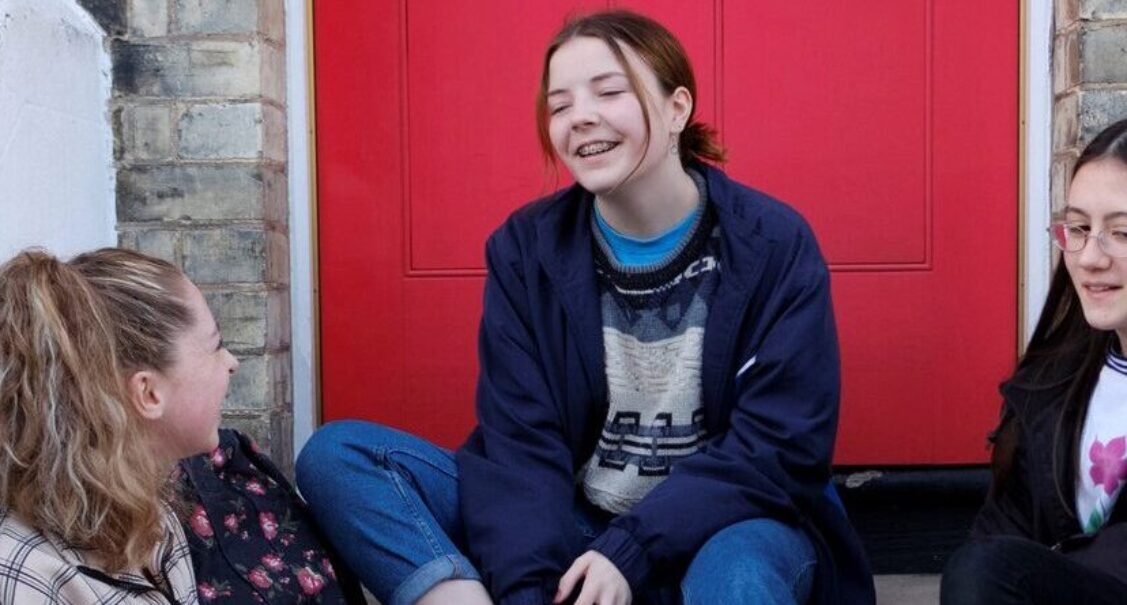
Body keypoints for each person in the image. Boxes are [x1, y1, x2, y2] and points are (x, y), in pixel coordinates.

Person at [297, 9, 874, 605]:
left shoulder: (772, 244)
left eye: (609, 91)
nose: (581, 118)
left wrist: (632, 552)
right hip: (581, 529)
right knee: (339, 457)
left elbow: (777, 450)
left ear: (678, 109)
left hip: (729, 525)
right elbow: (521, 447)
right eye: (560, 104)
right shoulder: (526, 251)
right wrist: (529, 592)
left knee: (738, 578)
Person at [941, 118, 1127, 604]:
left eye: (1122, 233)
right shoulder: (1051, 385)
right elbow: (1002, 535)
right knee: (981, 571)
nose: (1090, 258)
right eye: (1080, 228)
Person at [0, 247, 239, 603]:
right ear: (148, 392)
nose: (231, 363)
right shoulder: (26, 582)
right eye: (216, 345)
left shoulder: (152, 514)